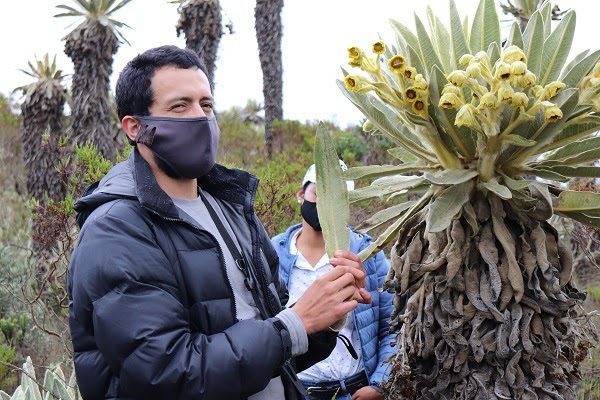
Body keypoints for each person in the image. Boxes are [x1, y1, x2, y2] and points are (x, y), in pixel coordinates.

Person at [67, 45, 373, 400]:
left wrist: (327, 313)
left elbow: (274, 344)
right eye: (180, 106)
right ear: (136, 127)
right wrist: (296, 324)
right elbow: (165, 374)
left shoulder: (230, 208)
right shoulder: (115, 229)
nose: (200, 117)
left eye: (206, 105)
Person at [271, 163, 395, 400]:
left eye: (337, 199)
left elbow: (393, 324)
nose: (326, 205)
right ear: (301, 194)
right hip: (295, 392)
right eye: (318, 194)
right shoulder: (272, 253)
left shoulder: (367, 254)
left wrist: (380, 384)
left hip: (354, 391)